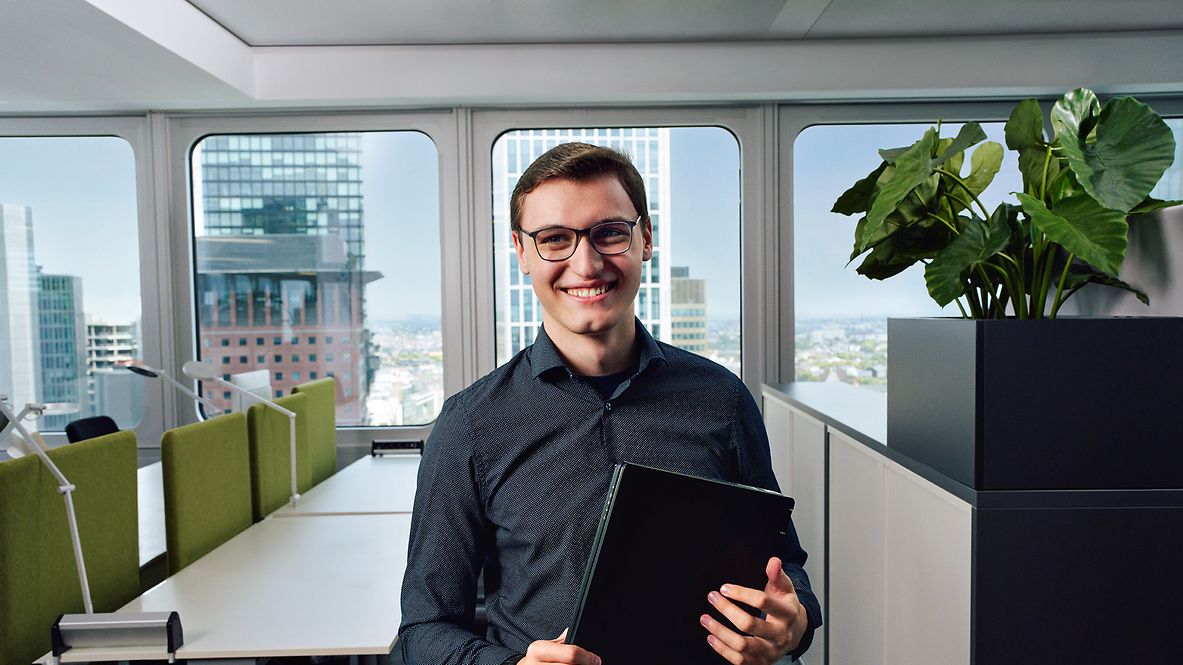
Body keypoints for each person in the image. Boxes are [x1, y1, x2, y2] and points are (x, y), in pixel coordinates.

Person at [398, 142, 821, 665]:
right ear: (522, 252)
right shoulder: (470, 424)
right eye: (555, 239)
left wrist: (794, 622)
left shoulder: (721, 399)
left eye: (610, 233)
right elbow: (424, 629)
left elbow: (783, 564)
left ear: (646, 239)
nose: (587, 263)